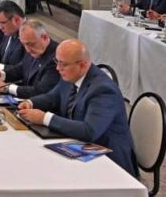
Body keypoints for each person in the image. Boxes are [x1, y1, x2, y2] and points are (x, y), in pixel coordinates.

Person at [17, 39, 137, 176]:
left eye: (63, 64)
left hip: (109, 160)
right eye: (57, 62)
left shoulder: (103, 90)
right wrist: (31, 102)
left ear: (82, 65)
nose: (57, 68)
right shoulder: (71, 75)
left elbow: (89, 131)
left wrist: (44, 118)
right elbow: (53, 97)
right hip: (78, 144)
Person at [0, 19, 59, 98]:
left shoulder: (56, 58)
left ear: (44, 37)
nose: (28, 50)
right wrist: (1, 75)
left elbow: (41, 91)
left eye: (30, 44)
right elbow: (21, 68)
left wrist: (7, 88)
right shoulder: (33, 49)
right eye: (24, 44)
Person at [0, 0, 27, 66]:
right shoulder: (11, 31)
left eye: (2, 23)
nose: (0, 28)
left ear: (16, 20)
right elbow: (1, 50)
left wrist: (0, 67)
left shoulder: (29, 37)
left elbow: (22, 69)